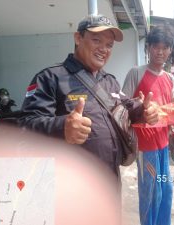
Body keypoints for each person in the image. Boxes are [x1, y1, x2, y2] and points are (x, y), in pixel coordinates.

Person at [18, 14, 159, 178]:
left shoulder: (109, 81)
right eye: (96, 40)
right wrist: (62, 127)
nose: (104, 49)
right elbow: (26, 125)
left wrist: (144, 110)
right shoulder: (50, 78)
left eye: (109, 45)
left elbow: (126, 107)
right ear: (78, 38)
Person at [122, 26, 174, 225]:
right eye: (155, 46)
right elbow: (123, 107)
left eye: (165, 47)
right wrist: (139, 107)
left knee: (166, 191)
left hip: (163, 145)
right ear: (148, 48)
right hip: (145, 147)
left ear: (170, 50)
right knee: (151, 194)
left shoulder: (169, 78)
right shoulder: (136, 73)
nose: (160, 51)